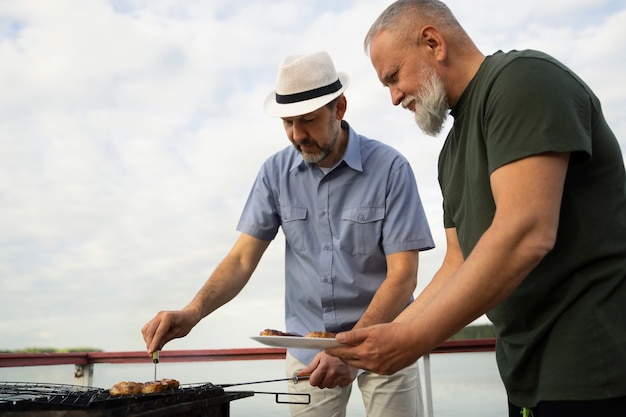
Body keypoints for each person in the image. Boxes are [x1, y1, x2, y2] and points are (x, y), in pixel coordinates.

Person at [326, 1, 626, 416]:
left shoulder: (524, 80)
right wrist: (385, 335)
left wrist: (416, 340)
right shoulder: (450, 153)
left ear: (433, 42)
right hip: (524, 375)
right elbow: (457, 262)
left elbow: (526, 232)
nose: (394, 97)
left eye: (394, 77)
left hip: (595, 369)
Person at [142, 51, 435, 417]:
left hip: (385, 339)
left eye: (308, 121)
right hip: (306, 352)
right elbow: (241, 258)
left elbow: (403, 277)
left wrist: (352, 350)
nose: (297, 135)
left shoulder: (391, 169)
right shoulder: (273, 173)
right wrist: (192, 312)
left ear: (339, 107)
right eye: (288, 123)